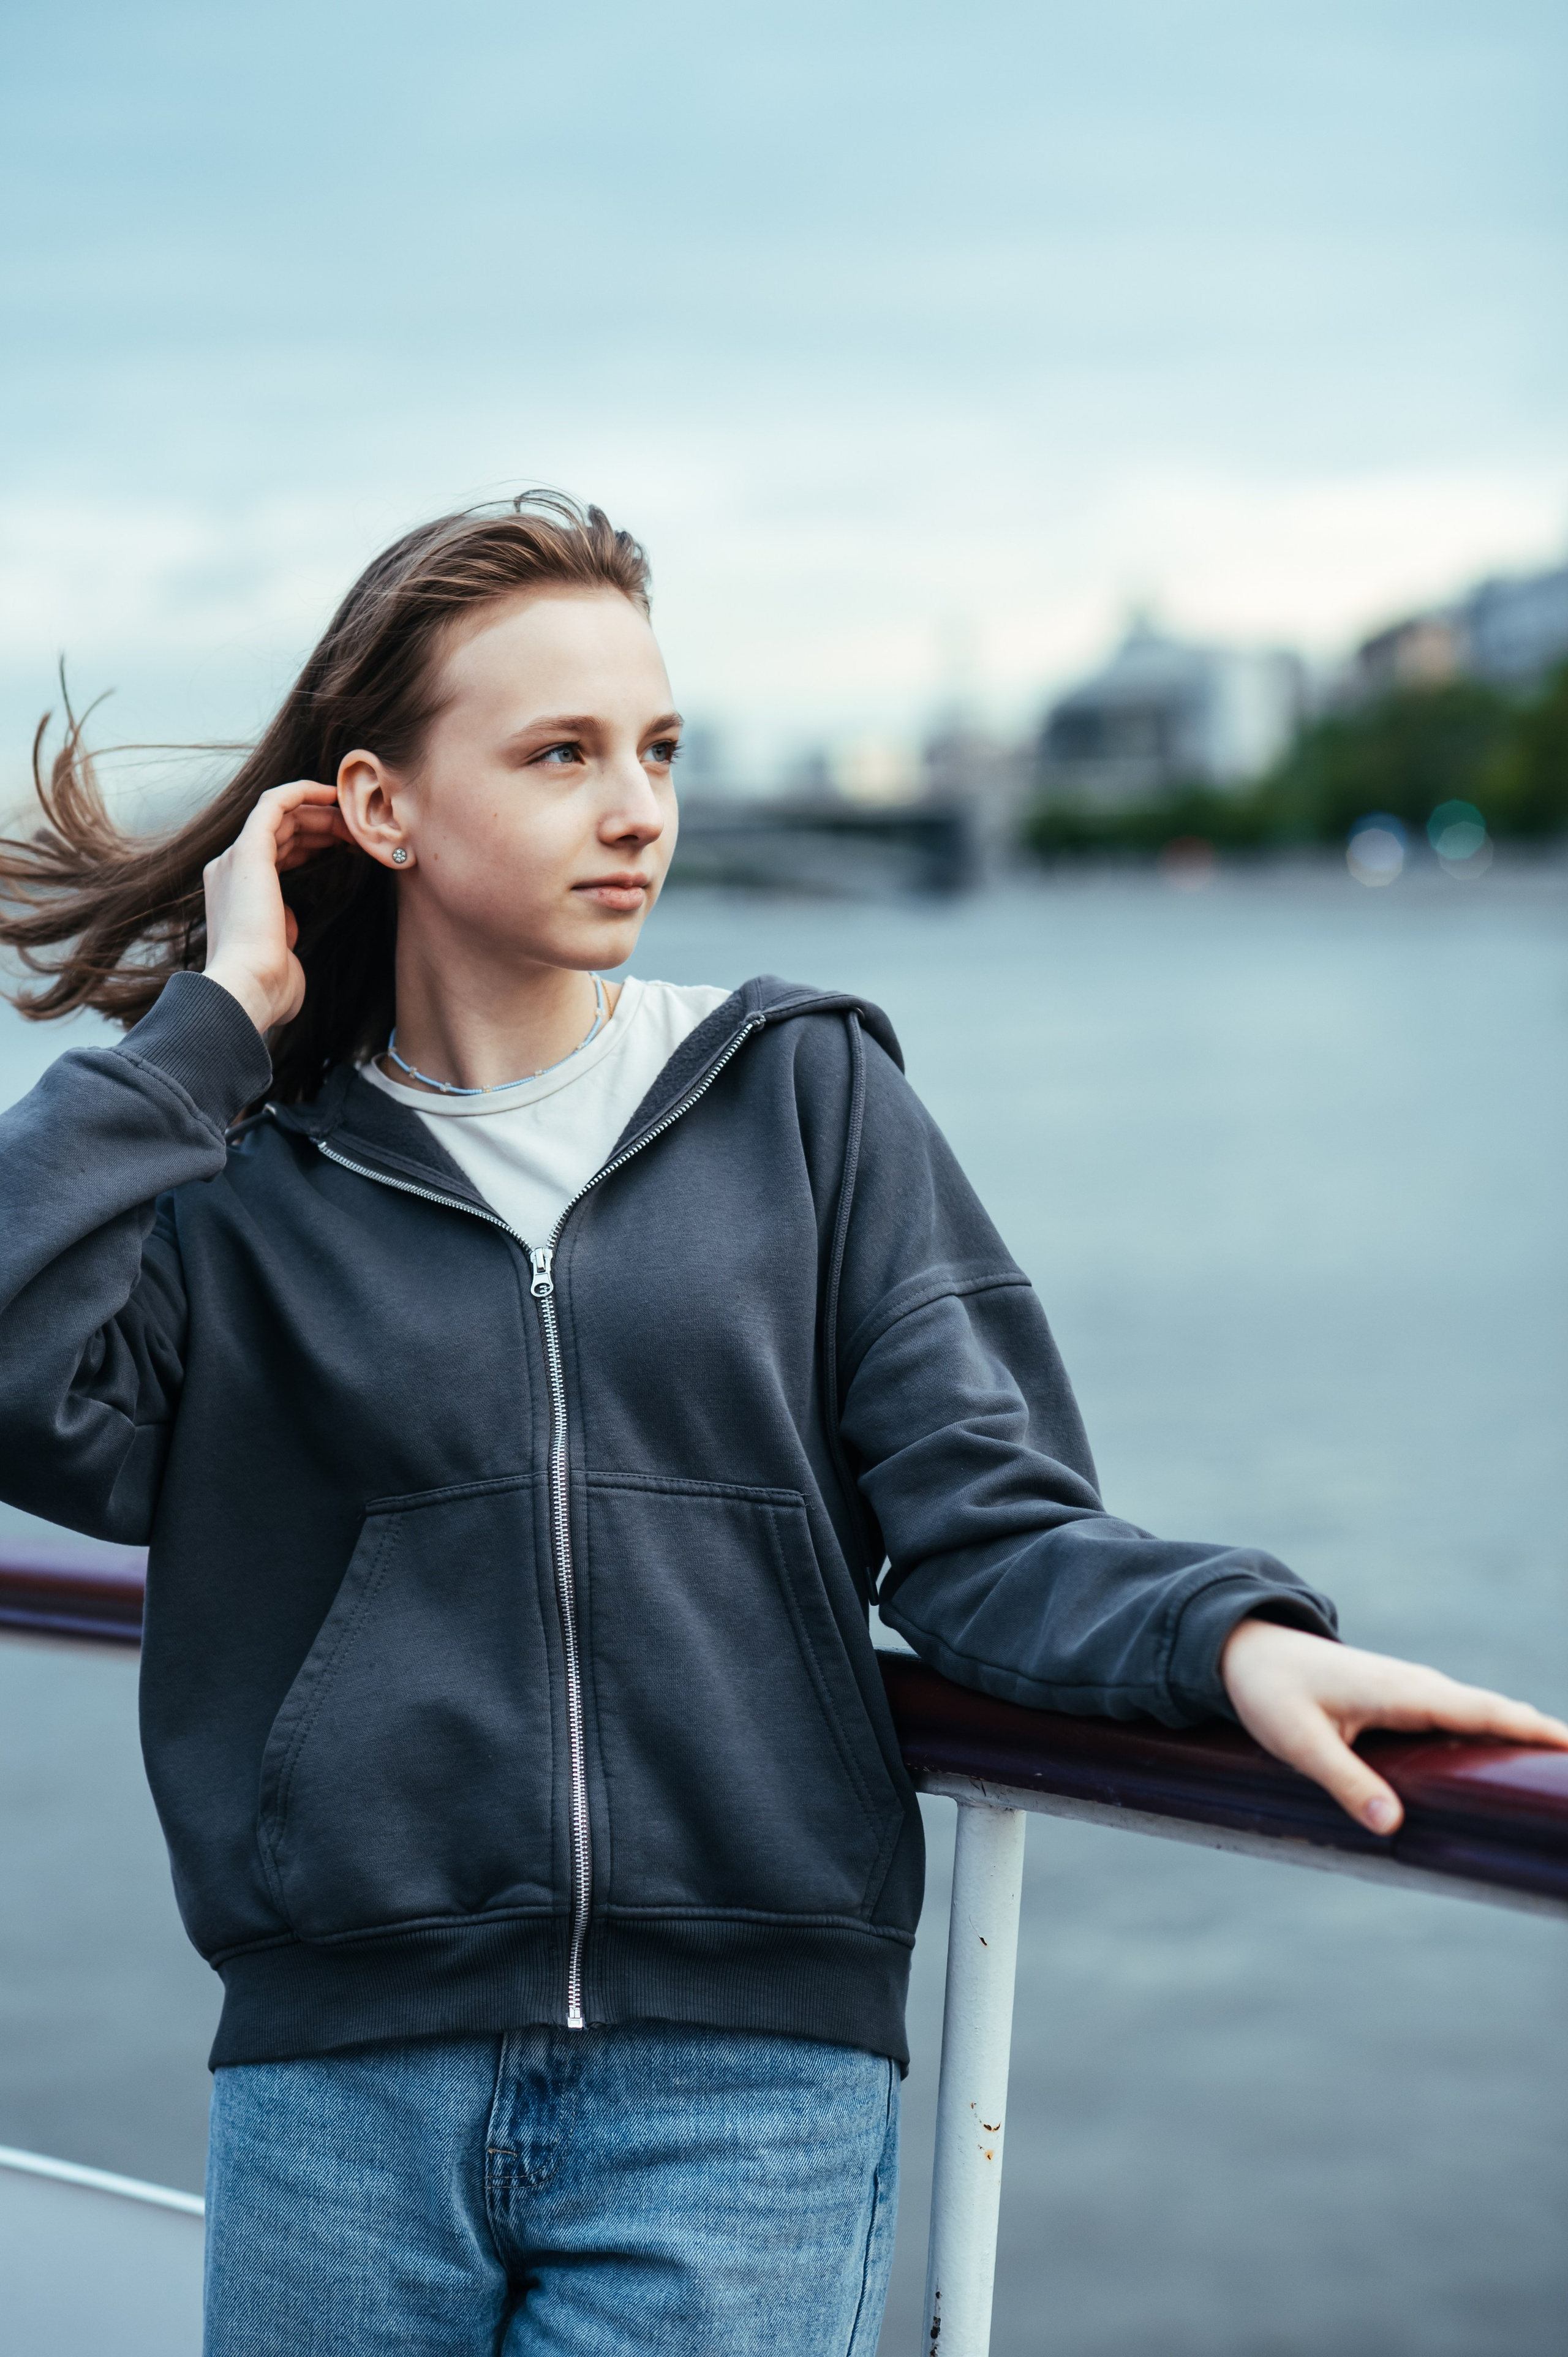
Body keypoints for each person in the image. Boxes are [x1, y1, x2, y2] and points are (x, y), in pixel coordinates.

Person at [0, 494, 1561, 2357]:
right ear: (381, 807)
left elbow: (985, 1525)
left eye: (658, 748)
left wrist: (1227, 1638)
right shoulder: (244, 1171)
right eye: (561, 753)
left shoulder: (803, 1100)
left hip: (742, 2100)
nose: (638, 807)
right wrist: (206, 1037)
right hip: (342, 2086)